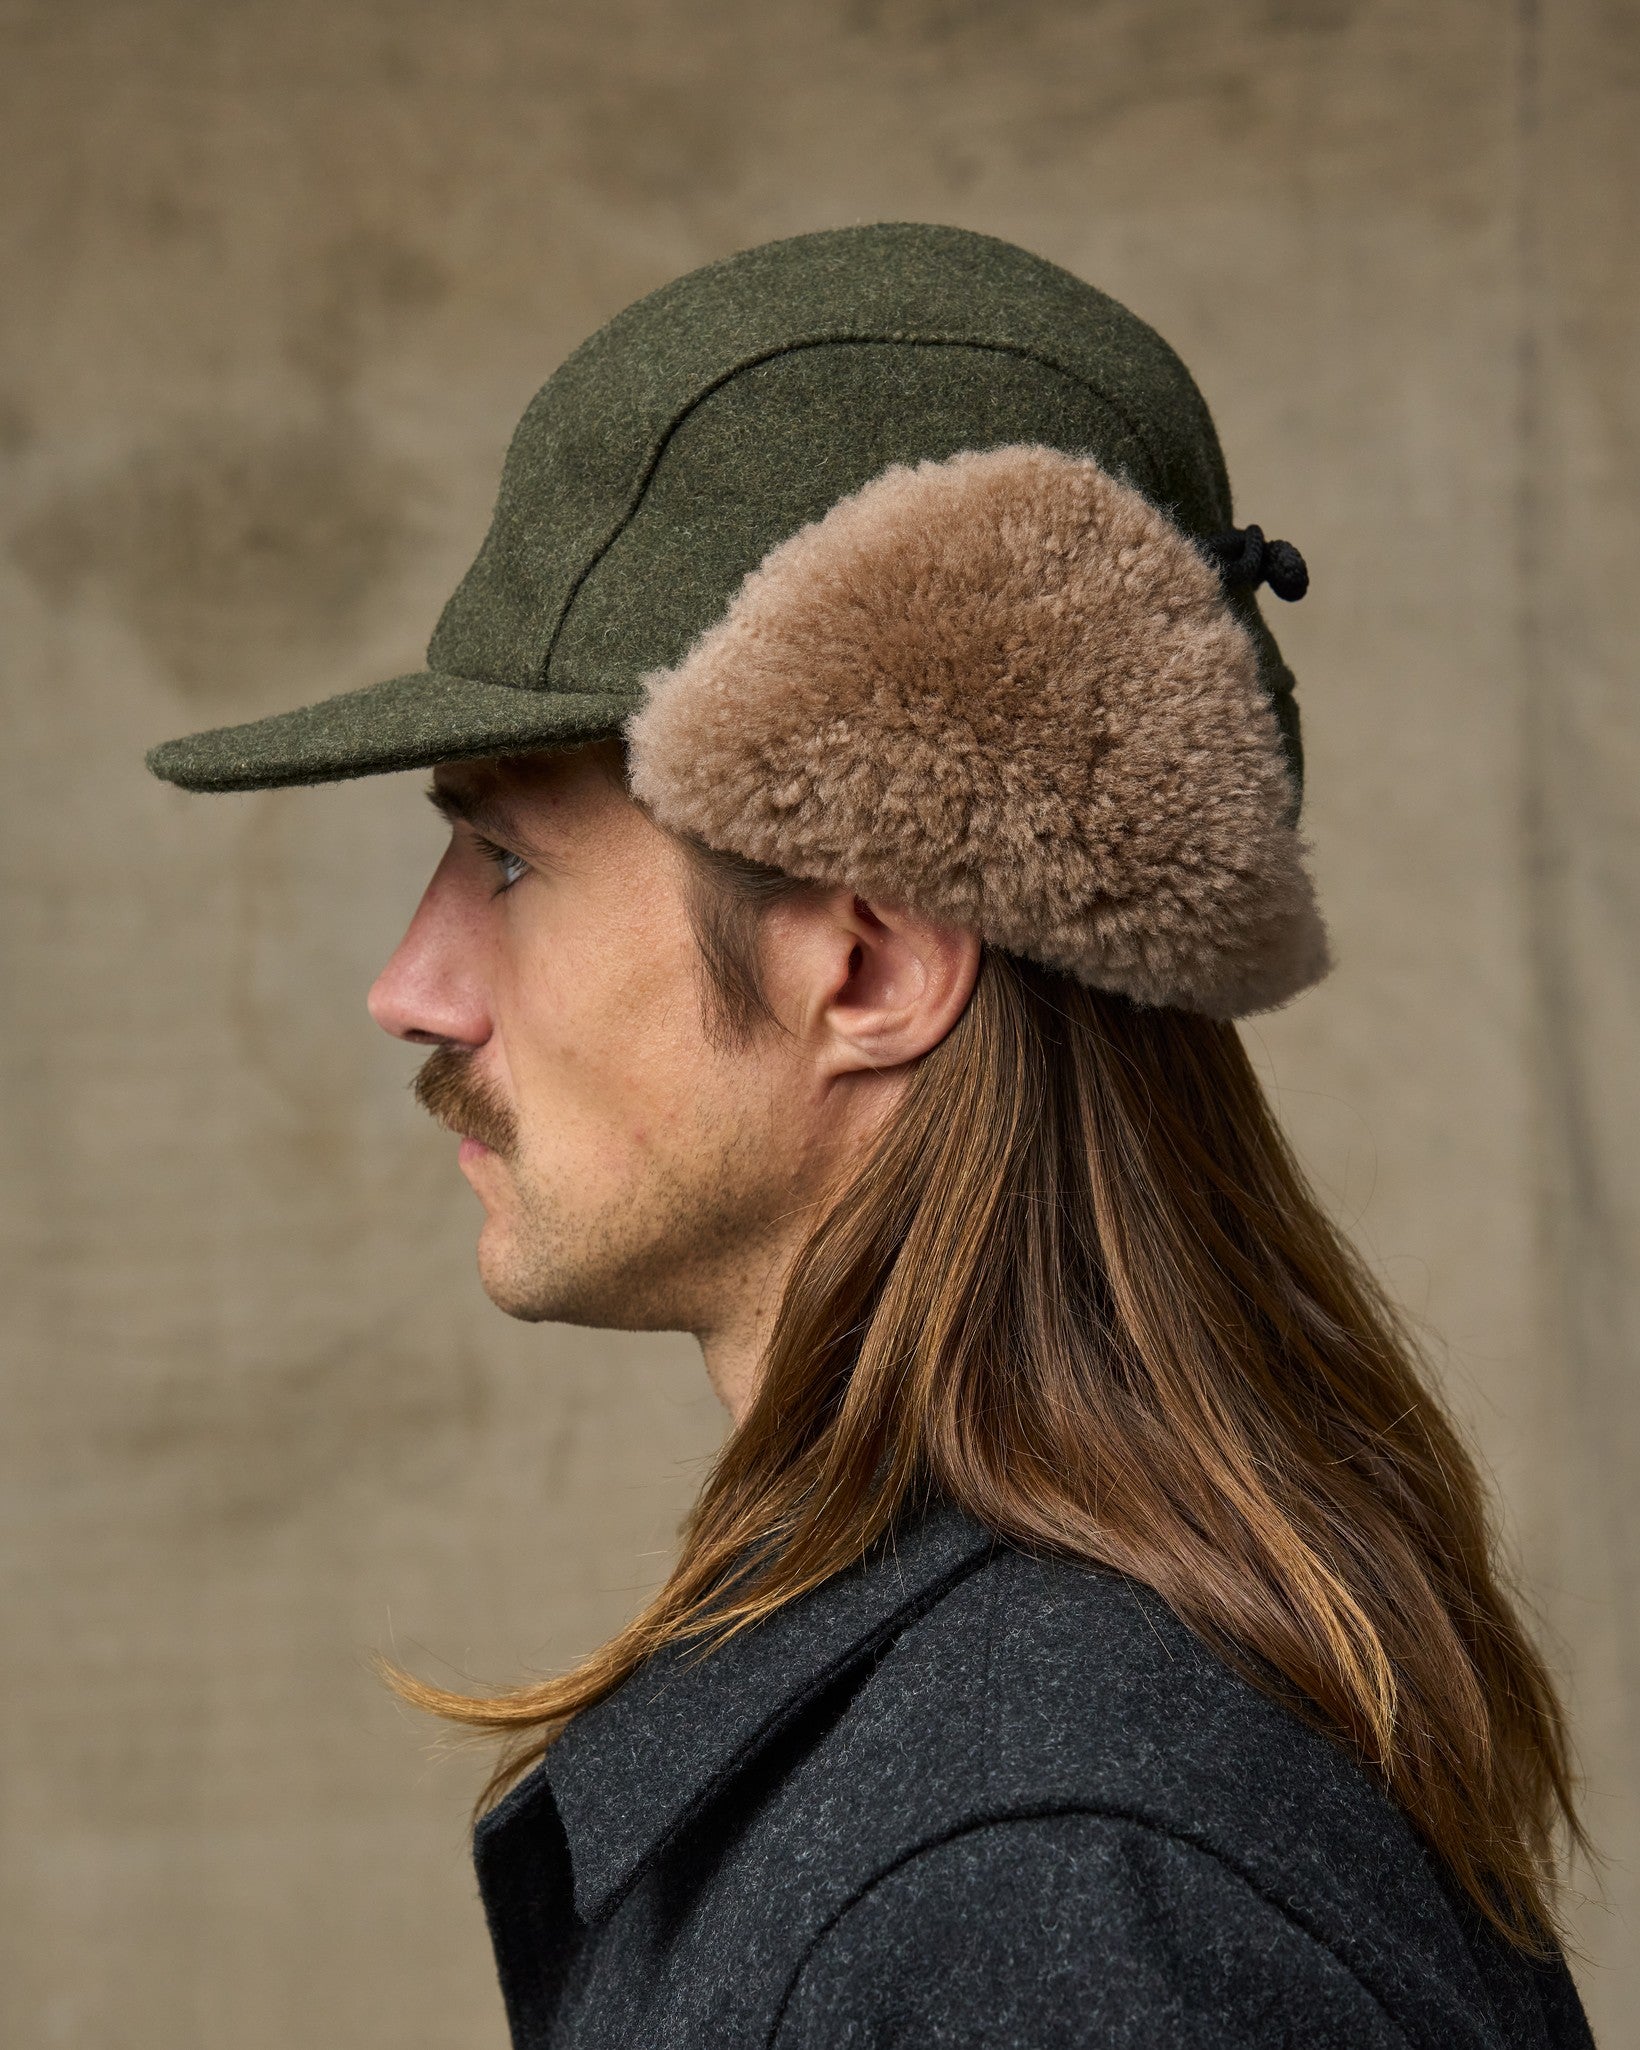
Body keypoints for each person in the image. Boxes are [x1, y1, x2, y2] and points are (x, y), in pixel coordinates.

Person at [147, 224, 1593, 2048]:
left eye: (507, 857)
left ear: (871, 963)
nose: (411, 986)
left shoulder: (1034, 1899)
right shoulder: (1022, 1796)